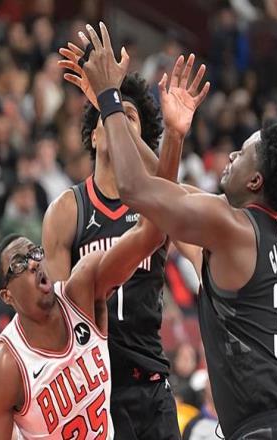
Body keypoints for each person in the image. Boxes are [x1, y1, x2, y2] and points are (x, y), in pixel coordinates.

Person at [76, 22, 277, 439]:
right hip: (274, 426)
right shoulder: (259, 233)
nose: (232, 154)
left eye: (244, 153)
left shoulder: (231, 225)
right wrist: (167, 134)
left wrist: (111, 99)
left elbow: (135, 190)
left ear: (255, 181)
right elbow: (170, 199)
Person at [48, 43, 208, 438]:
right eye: (109, 115)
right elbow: (57, 317)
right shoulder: (68, 210)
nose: (116, 120)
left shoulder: (157, 211)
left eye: (127, 118)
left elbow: (192, 224)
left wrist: (169, 133)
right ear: (94, 135)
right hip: (95, 387)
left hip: (151, 384)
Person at [0, 191, 168, 437]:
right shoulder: (5, 367)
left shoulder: (82, 292)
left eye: (34, 253)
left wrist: (161, 167)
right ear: (7, 296)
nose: (33, 263)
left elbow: (150, 235)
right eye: (19, 264)